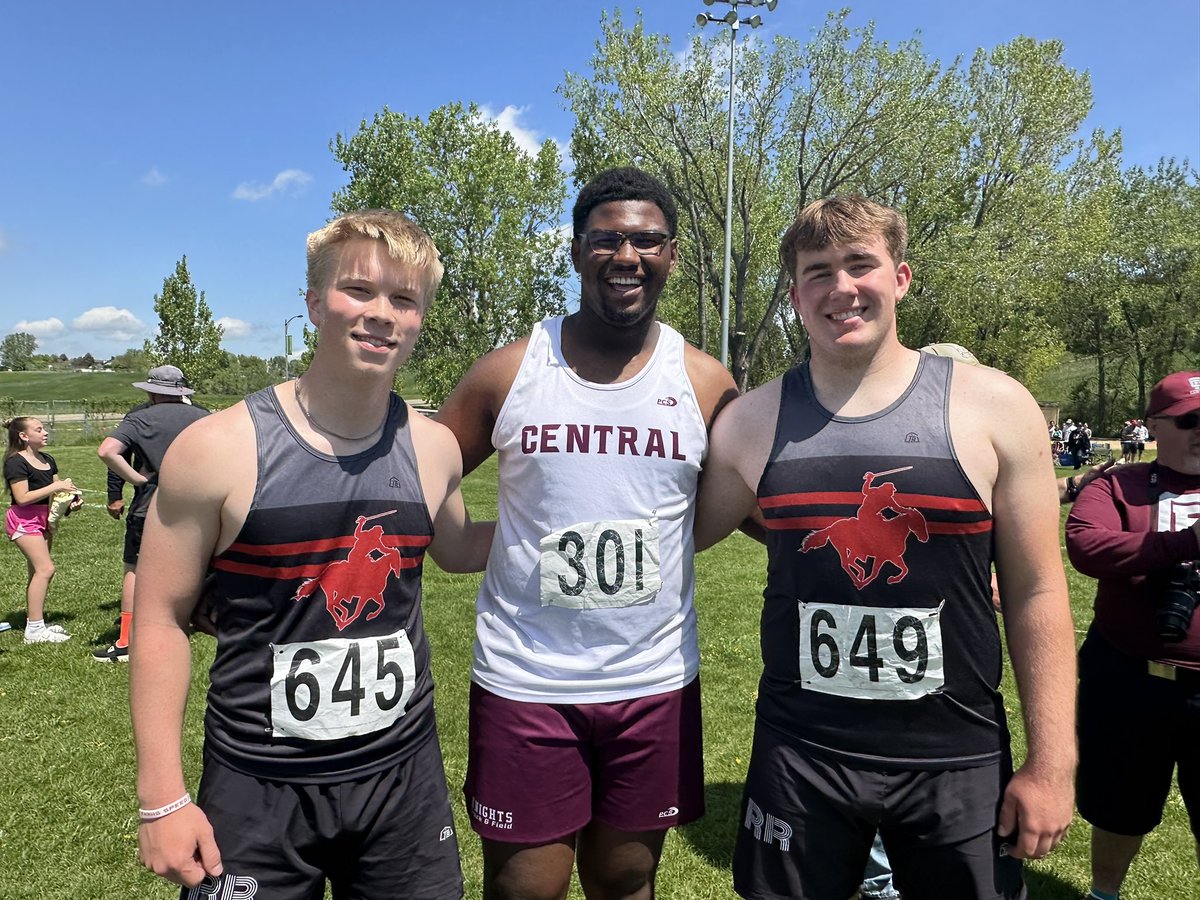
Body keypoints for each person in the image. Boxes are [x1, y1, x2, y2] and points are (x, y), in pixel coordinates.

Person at [695, 195, 1076, 899]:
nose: (841, 288)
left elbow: (1037, 592)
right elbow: (675, 528)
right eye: (818, 272)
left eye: (860, 264)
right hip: (801, 753)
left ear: (900, 277)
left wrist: (1053, 763)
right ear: (794, 295)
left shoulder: (996, 406)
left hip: (955, 754)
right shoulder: (750, 423)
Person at [131, 209, 491, 899]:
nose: (382, 313)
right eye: (359, 290)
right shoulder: (216, 451)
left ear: (421, 318)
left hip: (402, 785)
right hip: (256, 787)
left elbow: (458, 547)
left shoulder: (435, 448)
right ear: (313, 302)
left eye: (404, 299)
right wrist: (162, 799)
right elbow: (159, 619)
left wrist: (557, 521)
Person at [435, 166, 737, 900]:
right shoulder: (509, 372)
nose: (627, 256)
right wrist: (467, 542)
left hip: (655, 682)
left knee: (627, 880)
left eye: (647, 240)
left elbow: (772, 509)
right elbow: (415, 477)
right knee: (525, 889)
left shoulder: (703, 381)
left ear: (671, 254)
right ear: (575, 252)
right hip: (526, 682)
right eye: (606, 240)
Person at [1065, 370, 1200, 900]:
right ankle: (1104, 894)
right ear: (1152, 427)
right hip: (1127, 678)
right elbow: (1086, 546)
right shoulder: (1117, 484)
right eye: (1190, 420)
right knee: (1120, 805)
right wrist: (1184, 544)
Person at [94, 367, 209, 662]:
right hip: (198, 506)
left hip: (151, 506)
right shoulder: (203, 416)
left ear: (152, 391)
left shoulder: (139, 418)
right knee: (197, 565)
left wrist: (137, 480)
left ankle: (127, 641)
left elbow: (108, 451)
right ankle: (197, 621)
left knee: (134, 569)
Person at [4, 417, 83, 644]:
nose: (45, 432)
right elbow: (22, 498)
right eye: (39, 429)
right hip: (23, 520)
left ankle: (35, 622)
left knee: (37, 573)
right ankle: (35, 631)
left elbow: (57, 494)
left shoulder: (48, 459)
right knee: (46, 569)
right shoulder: (15, 462)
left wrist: (72, 501)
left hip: (44, 520)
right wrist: (56, 485)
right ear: (24, 436)